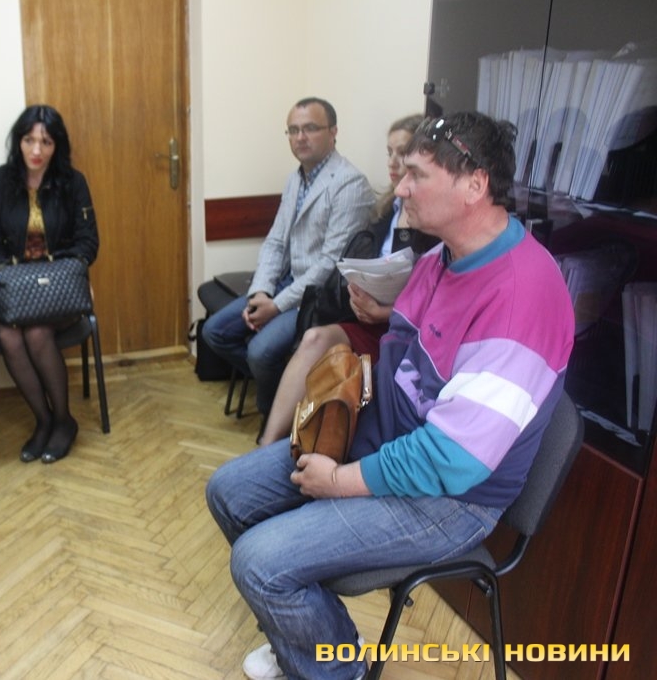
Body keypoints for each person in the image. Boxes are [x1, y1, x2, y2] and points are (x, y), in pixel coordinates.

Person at [206, 112, 575, 680]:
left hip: (451, 498)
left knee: (260, 563)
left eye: (417, 175)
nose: (400, 188)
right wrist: (384, 314)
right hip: (386, 445)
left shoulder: (523, 298)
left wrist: (339, 481)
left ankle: (335, 667)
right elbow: (418, 343)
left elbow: (454, 458)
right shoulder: (441, 258)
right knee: (229, 491)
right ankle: (313, 642)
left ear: (474, 185)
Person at [258, 114, 436, 446]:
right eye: (389, 153)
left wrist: (386, 312)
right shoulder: (387, 207)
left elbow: (435, 298)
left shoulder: (431, 218)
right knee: (314, 338)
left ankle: (314, 441)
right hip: (369, 314)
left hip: (404, 327)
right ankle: (269, 442)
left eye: (403, 154)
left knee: (265, 351)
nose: (393, 162)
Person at [201, 97, 375, 415]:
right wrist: (261, 292)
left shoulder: (350, 184)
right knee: (215, 332)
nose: (300, 137)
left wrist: (277, 305)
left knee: (259, 352)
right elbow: (275, 242)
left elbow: (330, 264)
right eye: (293, 130)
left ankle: (274, 419)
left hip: (316, 298)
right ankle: (288, 388)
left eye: (310, 128)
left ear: (333, 132)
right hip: (285, 284)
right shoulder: (296, 178)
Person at [0, 105, 99, 464]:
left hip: (59, 290)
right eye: (29, 140)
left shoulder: (73, 182)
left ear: (56, 145)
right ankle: (43, 419)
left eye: (46, 142)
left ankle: (63, 420)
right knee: (7, 334)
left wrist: (70, 272)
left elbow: (88, 242)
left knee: (35, 332)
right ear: (18, 141)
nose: (36, 150)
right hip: (18, 290)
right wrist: (7, 276)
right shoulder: (0, 182)